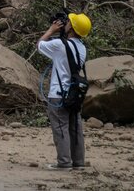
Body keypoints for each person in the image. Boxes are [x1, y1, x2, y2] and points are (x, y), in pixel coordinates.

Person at [37, 11, 91, 170]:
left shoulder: (60, 45)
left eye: (69, 22)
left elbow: (40, 45)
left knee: (60, 128)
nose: (66, 23)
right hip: (74, 94)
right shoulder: (82, 48)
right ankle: (78, 162)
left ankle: (64, 163)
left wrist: (51, 30)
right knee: (75, 128)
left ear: (72, 28)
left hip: (58, 95)